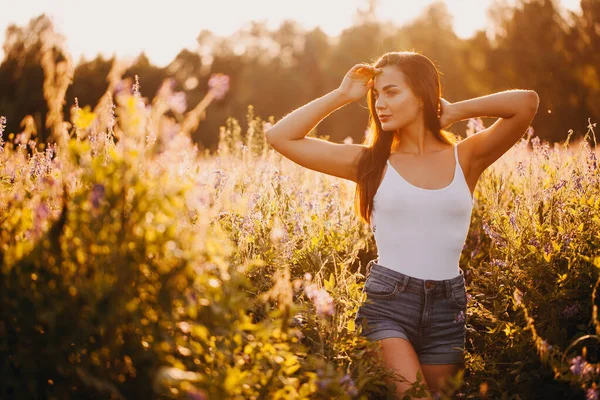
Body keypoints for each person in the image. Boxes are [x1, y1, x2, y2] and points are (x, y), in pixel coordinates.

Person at [265, 51, 539, 399]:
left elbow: (526, 103)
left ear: (423, 95)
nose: (380, 103)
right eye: (376, 95)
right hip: (389, 305)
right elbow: (280, 137)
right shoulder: (371, 163)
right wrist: (341, 95)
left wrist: (454, 111)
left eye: (392, 92)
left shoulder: (467, 157)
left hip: (447, 308)